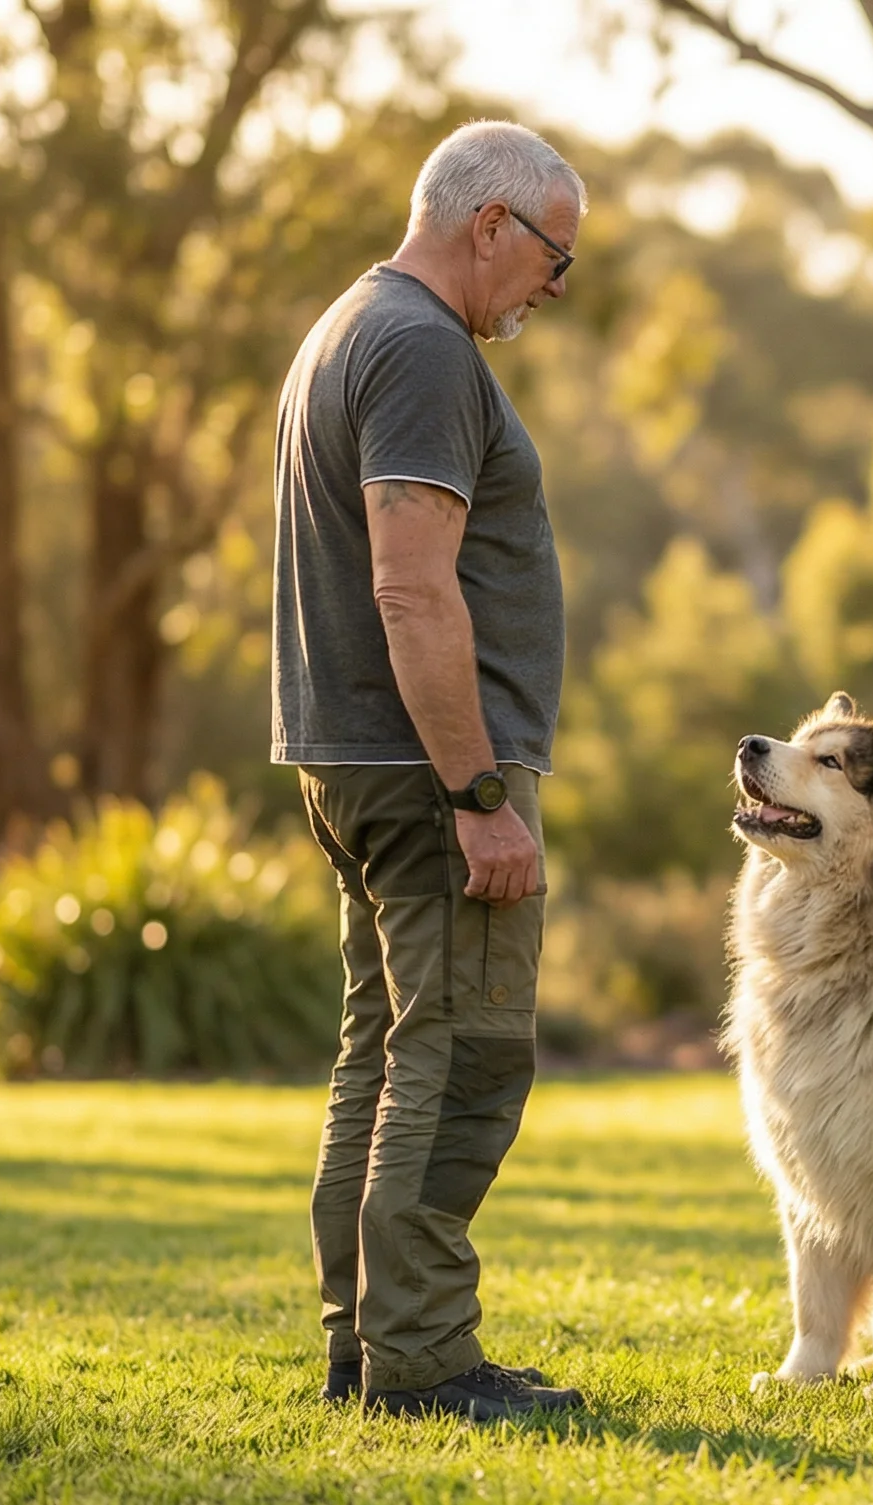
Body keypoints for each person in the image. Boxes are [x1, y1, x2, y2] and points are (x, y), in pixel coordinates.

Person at [269, 120, 585, 1423]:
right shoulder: (416, 347)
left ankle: (365, 1347)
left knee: (384, 1057)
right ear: (491, 226)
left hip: (355, 761)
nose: (555, 289)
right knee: (460, 1056)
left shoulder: (352, 322)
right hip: (425, 774)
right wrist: (478, 797)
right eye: (555, 257)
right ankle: (424, 1365)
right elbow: (411, 588)